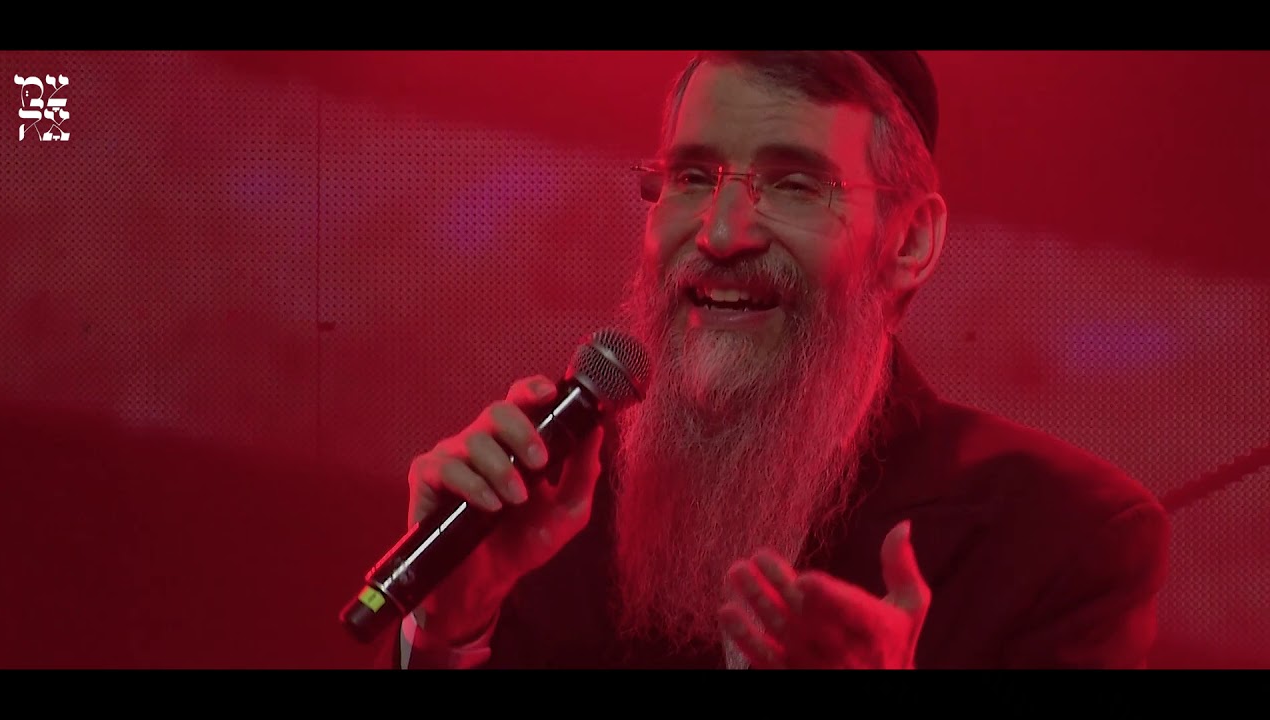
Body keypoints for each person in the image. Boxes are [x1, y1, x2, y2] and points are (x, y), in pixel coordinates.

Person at [379, 50, 1170, 669]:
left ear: (910, 241)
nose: (721, 233)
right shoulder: (551, 509)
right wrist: (448, 631)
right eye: (693, 177)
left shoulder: (1061, 540)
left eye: (794, 184)